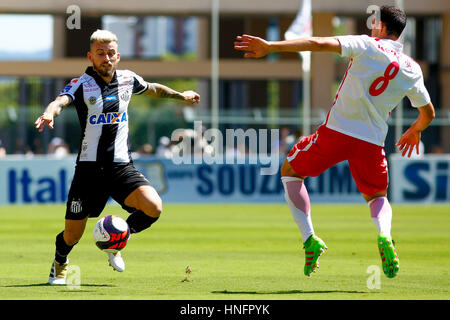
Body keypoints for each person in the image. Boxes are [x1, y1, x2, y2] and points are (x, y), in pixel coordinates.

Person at [234, 6, 435, 278]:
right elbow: (428, 112)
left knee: (290, 172)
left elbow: (318, 43)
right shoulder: (412, 68)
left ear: (383, 28)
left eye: (375, 23)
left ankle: (310, 239)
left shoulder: (367, 45)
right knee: (377, 196)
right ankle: (384, 236)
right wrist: (416, 130)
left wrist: (271, 46)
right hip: (372, 142)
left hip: (336, 133)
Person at [35, 29, 200, 285]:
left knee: (153, 207)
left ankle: (116, 240)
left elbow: (153, 89)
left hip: (121, 166)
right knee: (71, 235)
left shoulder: (127, 79)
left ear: (118, 56)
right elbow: (60, 101)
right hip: (88, 172)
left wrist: (180, 95)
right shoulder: (81, 83)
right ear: (91, 56)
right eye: (101, 54)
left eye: (111, 53)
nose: (106, 58)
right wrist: (49, 114)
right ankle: (60, 262)